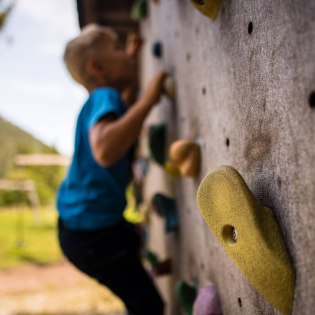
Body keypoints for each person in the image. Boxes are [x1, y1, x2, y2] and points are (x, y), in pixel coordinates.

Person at [56, 23, 166, 315]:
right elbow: (105, 150)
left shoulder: (102, 100)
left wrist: (129, 59)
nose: (125, 54)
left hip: (86, 229)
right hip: (92, 233)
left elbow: (121, 117)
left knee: (134, 266)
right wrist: (149, 100)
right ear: (98, 67)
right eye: (116, 49)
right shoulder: (105, 96)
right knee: (148, 306)